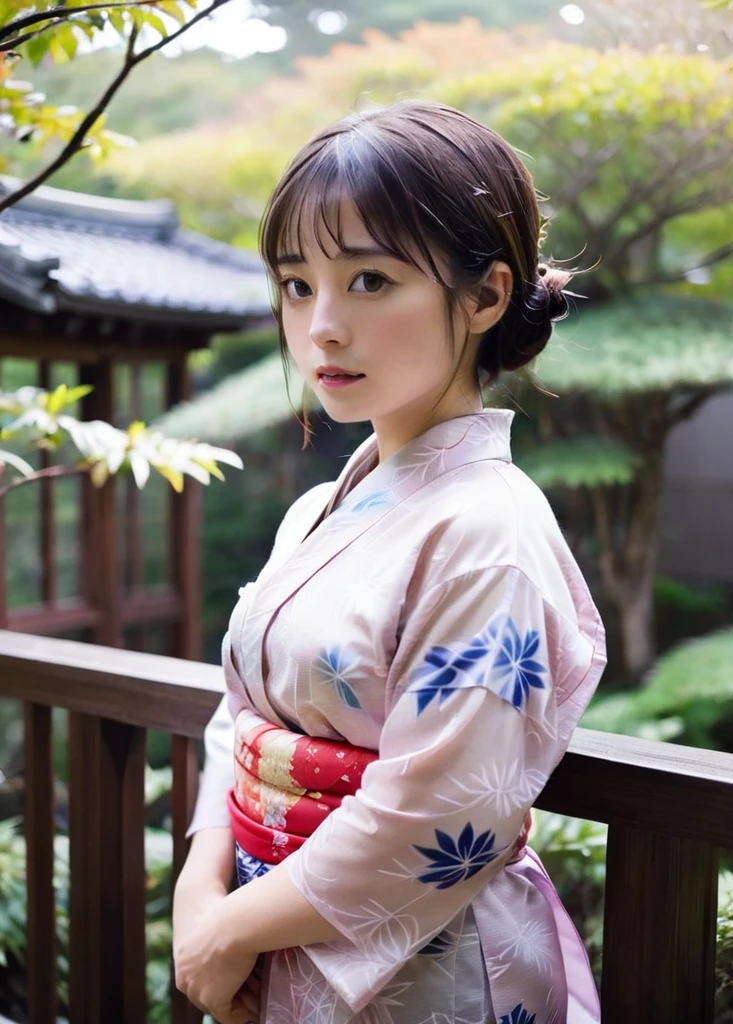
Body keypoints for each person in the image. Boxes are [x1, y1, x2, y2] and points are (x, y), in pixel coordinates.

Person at [172, 99, 607, 1024]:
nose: (322, 326)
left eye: (369, 280)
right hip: (269, 923)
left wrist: (230, 929)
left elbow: (440, 807)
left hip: (421, 971)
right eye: (297, 285)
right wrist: (202, 891)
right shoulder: (312, 512)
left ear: (485, 295)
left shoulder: (491, 529)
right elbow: (240, 720)